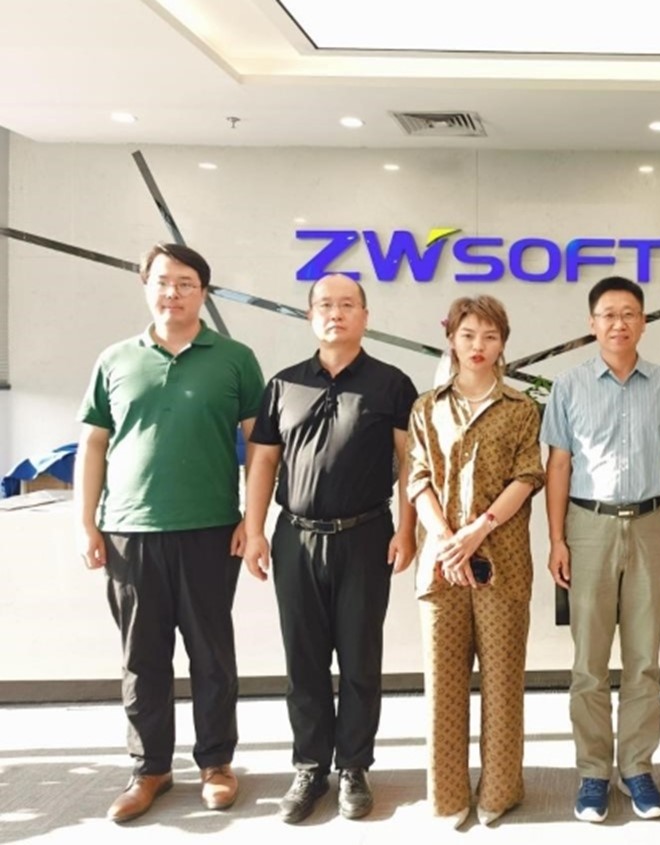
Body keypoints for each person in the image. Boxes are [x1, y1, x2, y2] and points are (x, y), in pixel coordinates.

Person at [74, 243, 265, 823]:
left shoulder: (235, 359)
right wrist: (86, 523)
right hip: (128, 531)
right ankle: (149, 768)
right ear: (146, 286)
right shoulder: (115, 359)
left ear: (202, 292)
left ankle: (217, 764)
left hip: (210, 529)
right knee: (142, 658)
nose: (173, 293)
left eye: (185, 283)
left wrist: (252, 520)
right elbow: (93, 444)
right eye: (162, 281)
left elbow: (260, 446)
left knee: (212, 655)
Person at [242, 274, 418, 823]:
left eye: (346, 305)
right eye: (324, 305)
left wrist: (407, 529)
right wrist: (253, 530)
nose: (335, 314)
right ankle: (310, 766)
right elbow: (263, 461)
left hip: (366, 535)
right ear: (309, 315)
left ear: (365, 316)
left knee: (361, 657)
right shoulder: (283, 385)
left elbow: (411, 462)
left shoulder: (392, 384)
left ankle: (355, 767)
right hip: (295, 536)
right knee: (304, 658)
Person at [540, 276, 660, 823]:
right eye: (608, 314)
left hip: (652, 525)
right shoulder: (569, 386)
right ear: (592, 323)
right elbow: (558, 465)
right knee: (588, 662)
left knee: (644, 660)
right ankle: (592, 773)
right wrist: (556, 539)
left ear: (643, 322)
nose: (618, 323)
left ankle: (636, 768)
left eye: (629, 313)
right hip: (589, 527)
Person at [407, 295, 545, 828]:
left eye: (489, 336)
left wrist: (477, 530)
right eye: (468, 335)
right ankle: (447, 796)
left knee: (503, 684)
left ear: (503, 342)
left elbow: (527, 477)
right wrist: (448, 540)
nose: (478, 346)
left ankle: (500, 791)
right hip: (441, 566)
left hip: (501, 561)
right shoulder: (427, 407)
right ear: (452, 340)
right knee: (443, 686)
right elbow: (417, 477)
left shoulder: (520, 408)